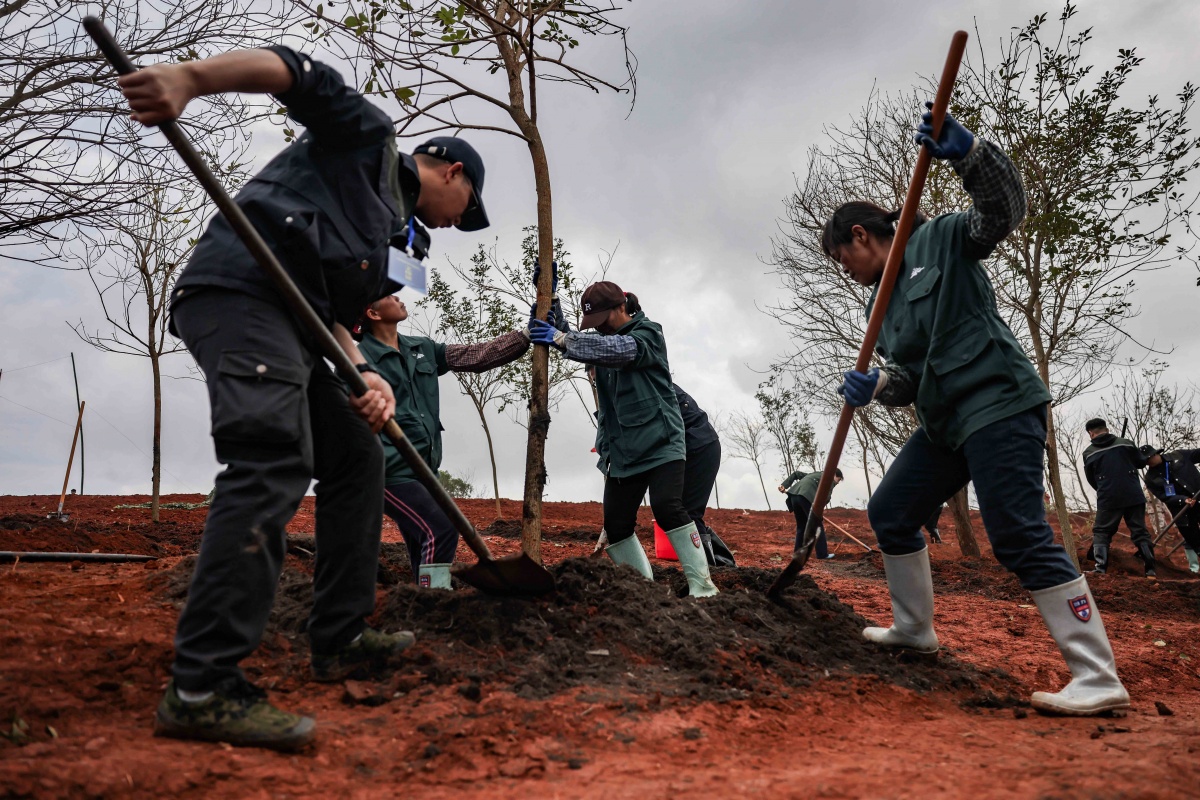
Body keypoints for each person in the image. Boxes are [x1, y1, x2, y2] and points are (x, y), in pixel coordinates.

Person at [117, 46, 490, 749]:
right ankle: (202, 686)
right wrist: (189, 80)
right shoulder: (368, 141)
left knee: (357, 454)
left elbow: (334, 320)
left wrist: (365, 372)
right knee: (273, 457)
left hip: (297, 329)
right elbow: (293, 71)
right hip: (238, 296)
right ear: (452, 171)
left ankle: (340, 636)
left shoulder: (384, 241)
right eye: (464, 209)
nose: (454, 224)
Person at [827, 102, 1129, 715]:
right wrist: (879, 384)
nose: (844, 270)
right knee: (890, 512)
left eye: (842, 257)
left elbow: (1003, 212)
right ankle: (915, 630)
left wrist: (970, 156)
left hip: (998, 402)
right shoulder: (875, 311)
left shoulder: (940, 238)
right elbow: (909, 378)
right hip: (944, 423)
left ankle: (1098, 676)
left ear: (861, 236)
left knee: (1017, 532)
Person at [354, 274, 564, 589]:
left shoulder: (420, 348)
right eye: (389, 296)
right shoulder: (359, 359)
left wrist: (527, 333)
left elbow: (477, 356)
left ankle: (421, 597)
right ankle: (434, 602)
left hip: (424, 469)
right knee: (441, 528)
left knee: (423, 539)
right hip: (386, 470)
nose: (399, 298)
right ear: (372, 313)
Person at [530, 282, 719, 597]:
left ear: (621, 308)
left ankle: (703, 588)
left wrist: (563, 339)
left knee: (667, 506)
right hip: (623, 451)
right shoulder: (603, 340)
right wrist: (549, 296)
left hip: (661, 444)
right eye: (595, 324)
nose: (600, 328)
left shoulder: (647, 335)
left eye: (603, 319)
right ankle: (646, 593)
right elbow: (568, 336)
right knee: (617, 525)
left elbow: (615, 350)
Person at [1083, 418, 1154, 577]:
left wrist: (1106, 488)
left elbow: (1091, 478)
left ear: (1091, 433)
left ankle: (1100, 568)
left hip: (1108, 496)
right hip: (1133, 494)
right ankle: (1150, 569)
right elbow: (1141, 463)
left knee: (1102, 531)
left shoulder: (1089, 452)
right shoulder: (1126, 443)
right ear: (1106, 429)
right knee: (1139, 530)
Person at [1140, 444, 1200, 574]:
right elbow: (1163, 496)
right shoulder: (1150, 478)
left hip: (1198, 497)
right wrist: (1182, 499)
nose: (1148, 462)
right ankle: (1194, 569)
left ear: (1156, 454)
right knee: (1193, 539)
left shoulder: (1179, 455)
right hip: (1182, 510)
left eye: (1150, 457)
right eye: (1145, 460)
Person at [778, 469, 844, 559]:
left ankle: (798, 553)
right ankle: (822, 554)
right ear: (834, 475)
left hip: (794, 497)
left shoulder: (815, 474)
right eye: (838, 480)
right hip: (806, 498)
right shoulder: (829, 479)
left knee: (802, 526)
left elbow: (796, 474)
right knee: (817, 526)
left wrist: (784, 485)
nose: (837, 483)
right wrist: (818, 513)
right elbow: (826, 497)